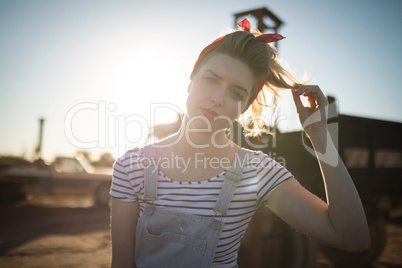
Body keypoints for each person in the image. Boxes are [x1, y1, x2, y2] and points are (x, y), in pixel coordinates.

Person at [110, 19, 370, 268]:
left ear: (244, 107)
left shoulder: (255, 171)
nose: (218, 98)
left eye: (236, 92)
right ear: (190, 82)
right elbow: (122, 264)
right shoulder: (131, 167)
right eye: (210, 79)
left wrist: (318, 134)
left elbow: (352, 239)